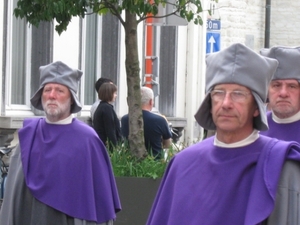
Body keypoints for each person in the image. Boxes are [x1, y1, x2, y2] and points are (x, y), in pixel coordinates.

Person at [146, 43, 300, 225]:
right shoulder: (182, 164)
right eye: (219, 93)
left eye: (238, 94)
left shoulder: (281, 167)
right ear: (210, 103)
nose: (226, 103)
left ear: (257, 108)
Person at [0, 61, 121, 225]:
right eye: (47, 89)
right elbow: (13, 198)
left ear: (71, 98)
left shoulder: (88, 140)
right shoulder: (29, 135)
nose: (51, 95)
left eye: (59, 90)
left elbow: (98, 199)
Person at [259, 46, 300, 142]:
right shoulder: (253, 129)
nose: (283, 93)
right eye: (276, 85)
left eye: (292, 86)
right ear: (267, 90)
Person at [121, 86, 172, 159]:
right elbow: (168, 144)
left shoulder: (125, 119)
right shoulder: (160, 120)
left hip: (131, 163)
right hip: (155, 163)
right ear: (151, 101)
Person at [93, 82, 122, 151]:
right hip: (107, 146)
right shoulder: (106, 108)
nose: (116, 95)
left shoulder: (102, 107)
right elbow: (110, 129)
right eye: (114, 93)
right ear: (109, 93)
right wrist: (114, 147)